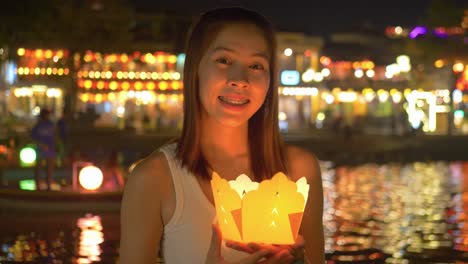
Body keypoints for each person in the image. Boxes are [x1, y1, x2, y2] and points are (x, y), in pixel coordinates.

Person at [120, 7, 324, 264]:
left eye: (256, 65)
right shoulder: (155, 179)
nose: (240, 79)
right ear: (196, 68)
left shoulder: (299, 171)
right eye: (224, 60)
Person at [31, 108, 57, 191]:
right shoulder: (38, 125)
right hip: (41, 148)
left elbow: (55, 136)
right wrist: (40, 144)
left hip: (49, 148)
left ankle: (48, 184)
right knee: (39, 167)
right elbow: (33, 136)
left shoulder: (51, 125)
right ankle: (38, 184)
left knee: (49, 167)